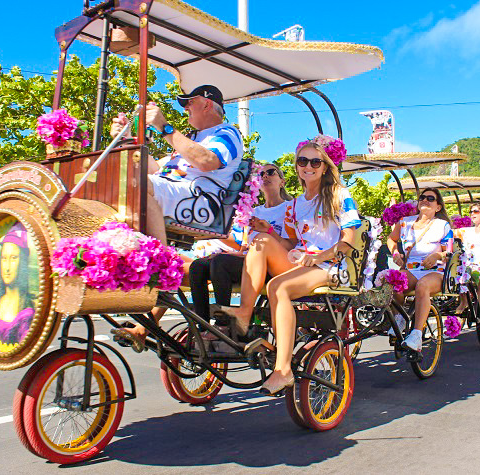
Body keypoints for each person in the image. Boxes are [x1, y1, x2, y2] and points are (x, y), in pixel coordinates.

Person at [214, 136, 360, 395]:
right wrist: (268, 231)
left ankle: (283, 370)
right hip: (299, 261)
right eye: (303, 160)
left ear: (325, 166)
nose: (309, 166)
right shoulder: (294, 204)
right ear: (296, 166)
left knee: (278, 287)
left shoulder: (339, 195)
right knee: (259, 240)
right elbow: (290, 242)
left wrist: (319, 256)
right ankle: (244, 316)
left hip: (329, 266)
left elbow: (348, 242)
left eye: (316, 161)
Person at [110, 85, 244, 352]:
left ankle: (159, 266)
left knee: (137, 184)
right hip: (172, 193)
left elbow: (207, 161)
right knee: (116, 180)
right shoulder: (189, 140)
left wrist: (166, 128)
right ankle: (114, 257)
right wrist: (126, 139)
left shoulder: (227, 133)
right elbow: (152, 168)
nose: (184, 109)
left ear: (207, 104)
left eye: (188, 103)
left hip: (200, 201)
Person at [189, 164, 292, 330]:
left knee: (220, 262)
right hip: (250, 262)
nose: (265, 176)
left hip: (273, 266)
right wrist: (233, 254)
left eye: (271, 172)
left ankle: (224, 326)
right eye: (261, 174)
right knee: (198, 266)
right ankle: (202, 327)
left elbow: (291, 247)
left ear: (282, 181)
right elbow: (246, 247)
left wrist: (270, 232)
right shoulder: (253, 211)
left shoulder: (290, 208)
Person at [386, 188, 452, 352]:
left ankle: (416, 335)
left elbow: (449, 251)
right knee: (394, 282)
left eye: (431, 198)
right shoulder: (405, 222)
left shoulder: (442, 225)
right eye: (422, 197)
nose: (425, 200)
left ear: (438, 207)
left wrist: (437, 255)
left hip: (435, 271)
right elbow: (391, 239)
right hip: (412, 269)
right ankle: (399, 318)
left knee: (423, 286)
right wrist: (395, 253)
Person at [0, 223, 35, 345]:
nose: (7, 267)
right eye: (4, 258)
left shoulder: (26, 314)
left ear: (22, 261)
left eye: (13, 258)